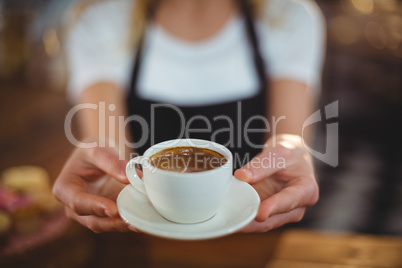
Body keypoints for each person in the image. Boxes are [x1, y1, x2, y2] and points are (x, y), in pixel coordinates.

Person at [53, 0, 325, 233]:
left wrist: (291, 148)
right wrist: (104, 171)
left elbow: (286, 137)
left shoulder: (288, 16)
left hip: (257, 236)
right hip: (143, 242)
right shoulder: (102, 18)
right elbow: (112, 157)